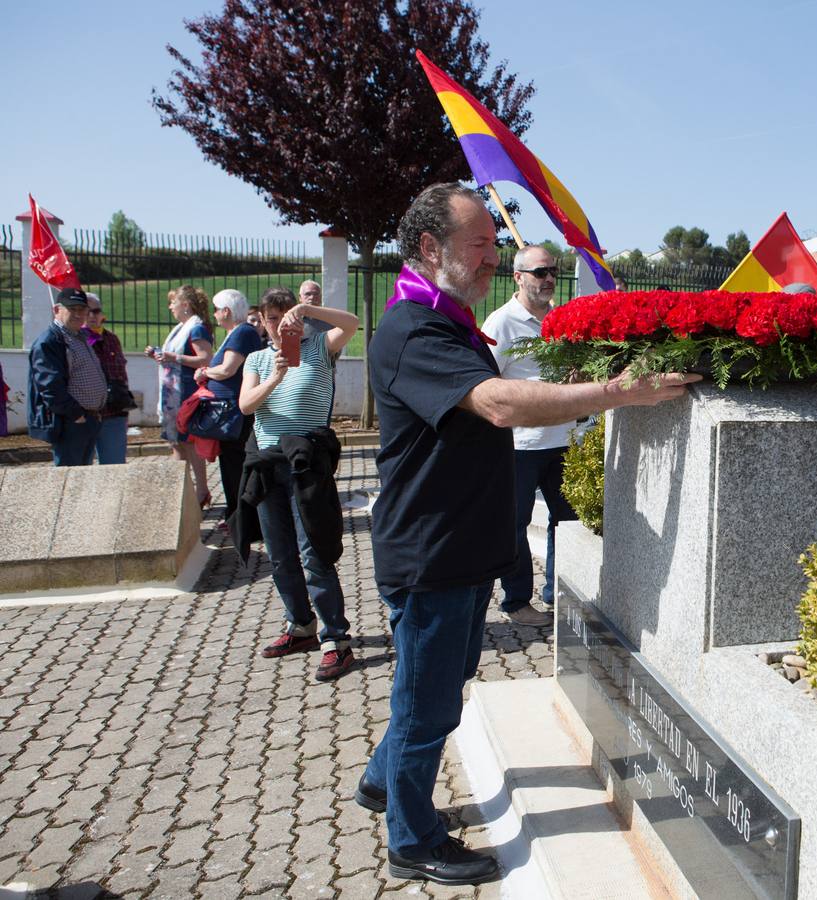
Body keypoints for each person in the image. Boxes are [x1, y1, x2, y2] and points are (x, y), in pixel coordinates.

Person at [359, 183, 697, 886]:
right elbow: (499, 403)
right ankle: (412, 838)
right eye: (480, 245)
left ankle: (380, 784)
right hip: (432, 553)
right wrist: (617, 393)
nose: (495, 258)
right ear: (430, 248)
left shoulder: (444, 318)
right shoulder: (413, 329)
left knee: (436, 681)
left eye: (495, 244)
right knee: (428, 703)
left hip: (452, 545)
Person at [238, 287, 359, 681]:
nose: (279, 324)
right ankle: (300, 626)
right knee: (279, 554)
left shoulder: (320, 347)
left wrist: (307, 309)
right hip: (267, 465)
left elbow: (353, 323)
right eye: (271, 318)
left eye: (286, 316)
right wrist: (275, 376)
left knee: (314, 555)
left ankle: (336, 640)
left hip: (306, 465)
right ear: (261, 320)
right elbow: (246, 405)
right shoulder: (257, 359)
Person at [481, 245, 579, 626]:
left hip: (563, 439)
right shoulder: (501, 323)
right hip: (520, 445)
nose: (549, 278)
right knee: (515, 524)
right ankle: (517, 602)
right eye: (540, 272)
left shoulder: (560, 319)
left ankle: (558, 594)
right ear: (518, 277)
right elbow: (488, 380)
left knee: (567, 522)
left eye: (553, 271)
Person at [198, 289, 264, 522]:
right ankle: (237, 515)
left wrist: (204, 371)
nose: (214, 314)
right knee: (231, 465)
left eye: (216, 309)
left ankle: (240, 517)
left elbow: (228, 369)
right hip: (231, 412)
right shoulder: (238, 332)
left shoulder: (242, 332)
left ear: (226, 311)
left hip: (235, 413)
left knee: (235, 466)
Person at [147, 285, 214, 506]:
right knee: (178, 444)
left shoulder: (196, 328)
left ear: (185, 305)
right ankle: (182, 492)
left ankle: (197, 491)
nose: (170, 307)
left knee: (188, 443)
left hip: (185, 394)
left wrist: (173, 357)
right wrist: (161, 355)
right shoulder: (181, 327)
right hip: (172, 393)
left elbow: (205, 359)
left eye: (173, 302)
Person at [28, 289, 106, 466]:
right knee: (70, 478)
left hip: (88, 420)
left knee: (82, 479)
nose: (79, 314)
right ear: (57, 310)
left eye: (82, 309)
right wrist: (76, 415)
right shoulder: (50, 341)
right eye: (72, 309)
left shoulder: (79, 337)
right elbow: (50, 386)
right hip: (71, 423)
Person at [82, 293, 134, 465]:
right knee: (80, 467)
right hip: (86, 414)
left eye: (95, 311)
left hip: (113, 413)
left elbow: (121, 374)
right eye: (86, 311)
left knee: (114, 465)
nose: (91, 316)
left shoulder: (111, 338)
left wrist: (125, 407)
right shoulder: (76, 339)